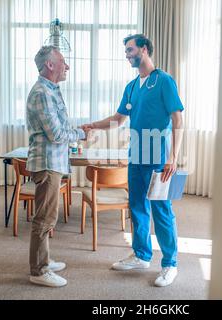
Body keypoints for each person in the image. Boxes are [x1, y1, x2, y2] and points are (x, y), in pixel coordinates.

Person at [81, 34, 184, 287]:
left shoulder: (164, 81)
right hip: (135, 156)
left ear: (145, 49)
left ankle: (170, 264)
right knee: (137, 207)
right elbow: (119, 119)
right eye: (126, 50)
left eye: (130, 49)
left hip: (158, 156)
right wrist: (94, 126)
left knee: (161, 210)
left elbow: (178, 120)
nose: (126, 54)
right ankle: (141, 255)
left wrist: (173, 157)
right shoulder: (131, 86)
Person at [26, 45, 87, 287]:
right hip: (47, 163)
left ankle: (45, 260)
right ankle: (39, 271)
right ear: (50, 64)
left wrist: (77, 133)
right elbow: (57, 133)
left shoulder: (52, 90)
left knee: (49, 216)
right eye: (63, 61)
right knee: (44, 218)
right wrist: (82, 133)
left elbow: (60, 128)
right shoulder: (42, 92)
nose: (67, 66)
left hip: (54, 162)